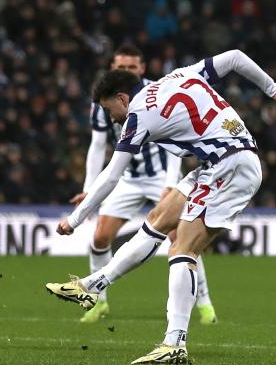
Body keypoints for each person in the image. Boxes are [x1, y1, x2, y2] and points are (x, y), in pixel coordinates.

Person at [48, 49, 276, 364]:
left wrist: (75, 219)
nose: (112, 118)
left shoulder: (137, 116)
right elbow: (234, 57)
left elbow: (111, 176)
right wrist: (272, 88)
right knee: (156, 219)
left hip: (229, 166)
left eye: (111, 110)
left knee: (182, 249)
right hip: (219, 162)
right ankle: (91, 285)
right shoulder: (180, 74)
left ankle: (174, 343)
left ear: (123, 98)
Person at [70, 44, 217, 325]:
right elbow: (97, 144)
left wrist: (170, 183)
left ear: (142, 68)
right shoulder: (103, 100)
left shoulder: (158, 91)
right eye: (120, 67)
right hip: (126, 178)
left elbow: (176, 139)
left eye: (131, 67)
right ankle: (98, 302)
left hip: (160, 176)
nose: (125, 71)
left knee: (181, 239)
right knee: (100, 238)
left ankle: (205, 304)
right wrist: (89, 187)